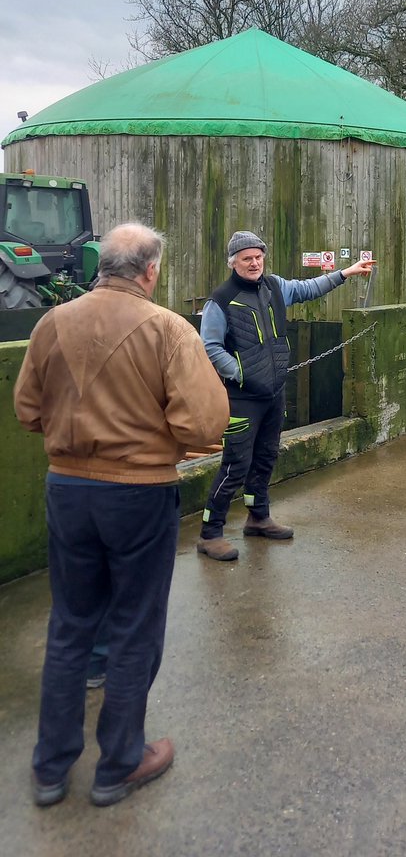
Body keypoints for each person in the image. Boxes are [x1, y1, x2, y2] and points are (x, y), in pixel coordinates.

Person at [14, 223, 230, 808]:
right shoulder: (168, 328)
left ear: (102, 265)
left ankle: (50, 768)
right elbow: (204, 424)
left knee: (70, 625)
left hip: (66, 488)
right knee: (135, 625)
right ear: (150, 270)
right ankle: (119, 763)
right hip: (138, 492)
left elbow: (28, 410)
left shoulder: (51, 323)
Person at [196, 231, 375, 561]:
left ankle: (258, 517)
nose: (254, 263)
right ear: (233, 262)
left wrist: (346, 273)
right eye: (247, 258)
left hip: (274, 392)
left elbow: (309, 288)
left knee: (266, 457)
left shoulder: (275, 286)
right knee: (236, 466)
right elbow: (210, 347)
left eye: (258, 257)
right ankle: (210, 533)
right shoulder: (220, 301)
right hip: (242, 398)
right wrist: (241, 373)